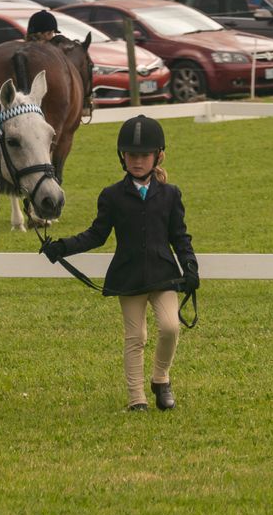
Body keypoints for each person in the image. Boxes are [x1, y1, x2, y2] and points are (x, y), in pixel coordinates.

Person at [40, 114, 198, 412]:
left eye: (143, 155)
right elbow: (96, 235)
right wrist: (62, 248)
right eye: (131, 156)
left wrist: (190, 266)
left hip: (163, 273)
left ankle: (161, 379)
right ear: (122, 157)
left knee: (170, 327)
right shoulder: (112, 196)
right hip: (128, 276)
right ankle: (136, 398)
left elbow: (180, 236)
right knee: (135, 336)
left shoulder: (170, 194)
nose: (137, 161)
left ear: (157, 156)